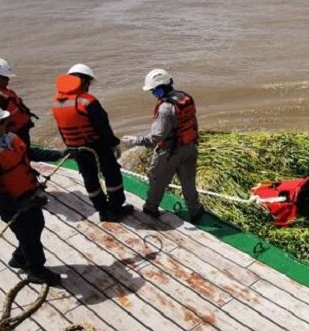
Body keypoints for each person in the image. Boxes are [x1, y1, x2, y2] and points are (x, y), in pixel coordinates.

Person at [0, 102, 65, 286]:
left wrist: (59, 154)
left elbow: (29, 152)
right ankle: (36, 270)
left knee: (36, 226)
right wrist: (15, 206)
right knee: (28, 235)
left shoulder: (7, 139)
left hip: (28, 194)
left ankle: (19, 258)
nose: (7, 124)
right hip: (12, 203)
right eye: (3, 122)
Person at [51, 63, 134, 222]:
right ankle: (115, 208)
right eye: (88, 82)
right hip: (96, 147)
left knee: (90, 178)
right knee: (112, 175)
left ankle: (102, 210)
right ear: (82, 81)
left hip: (76, 148)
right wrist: (114, 144)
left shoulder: (57, 102)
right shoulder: (87, 101)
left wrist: (70, 146)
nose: (89, 86)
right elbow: (103, 126)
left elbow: (62, 127)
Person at [122, 69, 204, 223]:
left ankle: (151, 208)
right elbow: (193, 122)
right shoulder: (186, 98)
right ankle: (195, 210)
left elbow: (156, 137)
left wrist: (134, 140)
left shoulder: (165, 108)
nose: (153, 94)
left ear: (160, 89)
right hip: (190, 146)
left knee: (157, 179)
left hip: (169, 152)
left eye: (153, 91)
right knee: (188, 181)